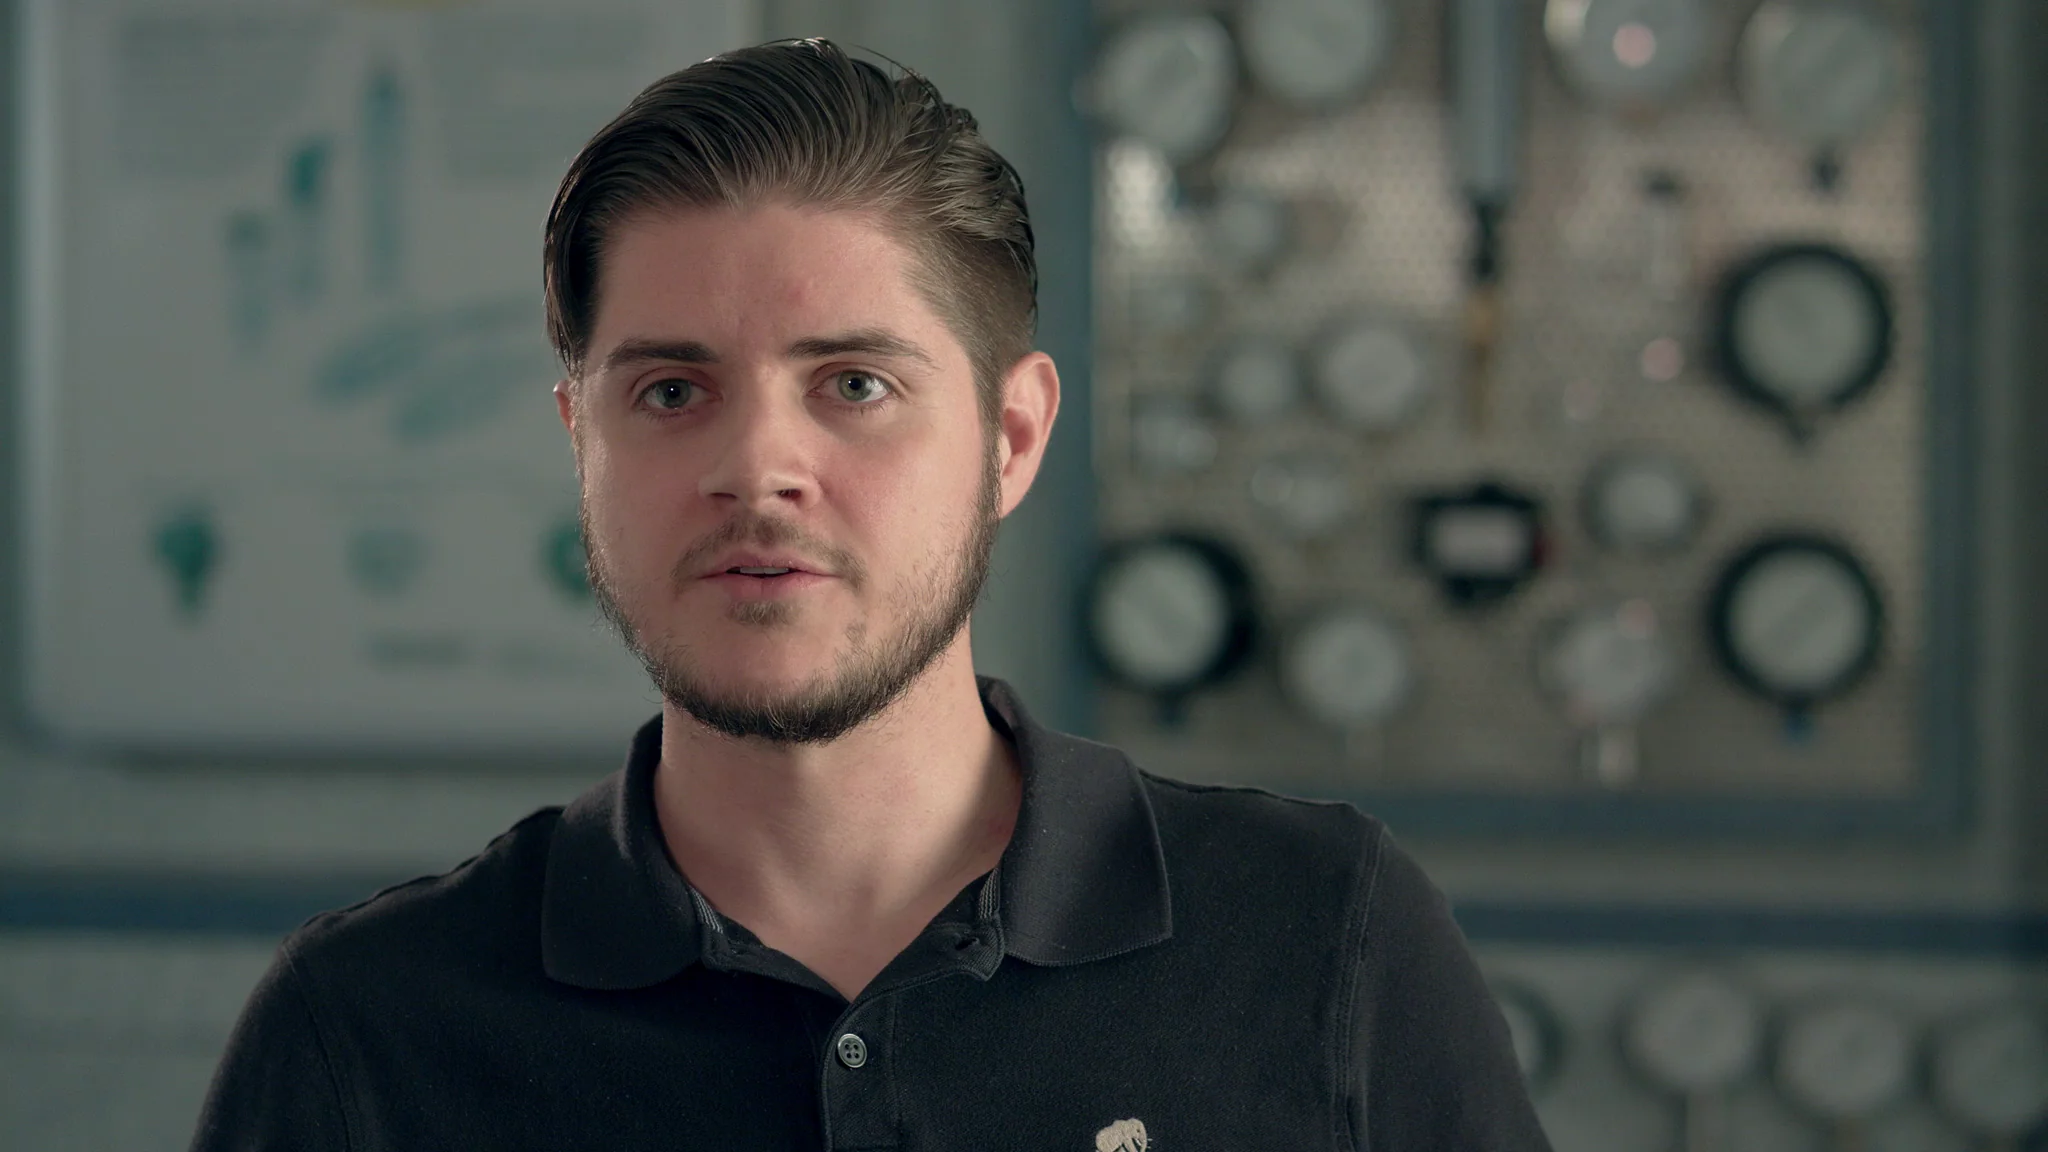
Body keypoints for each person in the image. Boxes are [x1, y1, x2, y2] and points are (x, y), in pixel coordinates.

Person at [191, 39, 1549, 1152]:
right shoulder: (368, 1031)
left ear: (1010, 441)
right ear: (580, 444)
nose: (758, 469)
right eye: (671, 392)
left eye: (856, 386)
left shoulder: (1324, 940)